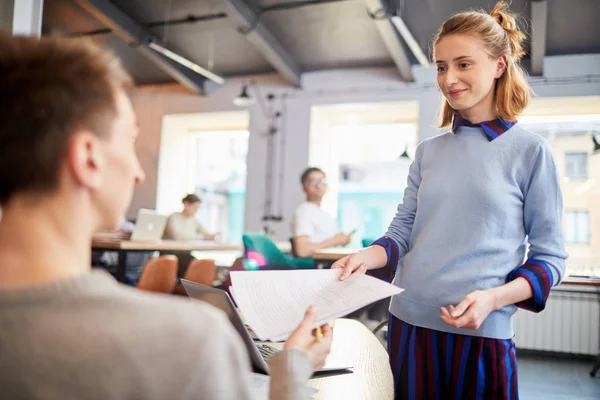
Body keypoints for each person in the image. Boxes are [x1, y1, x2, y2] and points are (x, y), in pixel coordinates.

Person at [0, 31, 332, 399]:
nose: (138, 173)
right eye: (129, 141)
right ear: (87, 159)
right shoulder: (185, 342)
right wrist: (293, 369)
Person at [333, 2, 567, 398]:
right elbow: (403, 229)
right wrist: (366, 256)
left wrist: (493, 299)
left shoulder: (531, 152)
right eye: (441, 67)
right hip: (407, 323)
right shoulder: (428, 151)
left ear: (499, 64)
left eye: (463, 64)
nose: (448, 78)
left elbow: (550, 259)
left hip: (481, 333)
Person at [291, 167, 351, 258]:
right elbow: (302, 251)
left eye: (322, 181)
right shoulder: (304, 211)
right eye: (312, 182)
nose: (318, 185)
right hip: (319, 266)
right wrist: (335, 241)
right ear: (304, 187)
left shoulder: (324, 213)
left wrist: (342, 240)